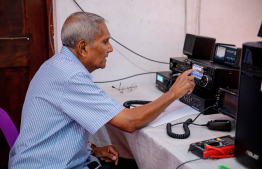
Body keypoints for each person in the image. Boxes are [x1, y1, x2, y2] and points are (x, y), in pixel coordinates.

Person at [8, 12, 195, 169]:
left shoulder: (57, 65)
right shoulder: (71, 76)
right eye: (105, 42)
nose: (110, 49)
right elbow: (131, 122)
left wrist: (91, 149)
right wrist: (173, 93)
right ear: (83, 47)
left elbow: (55, 127)